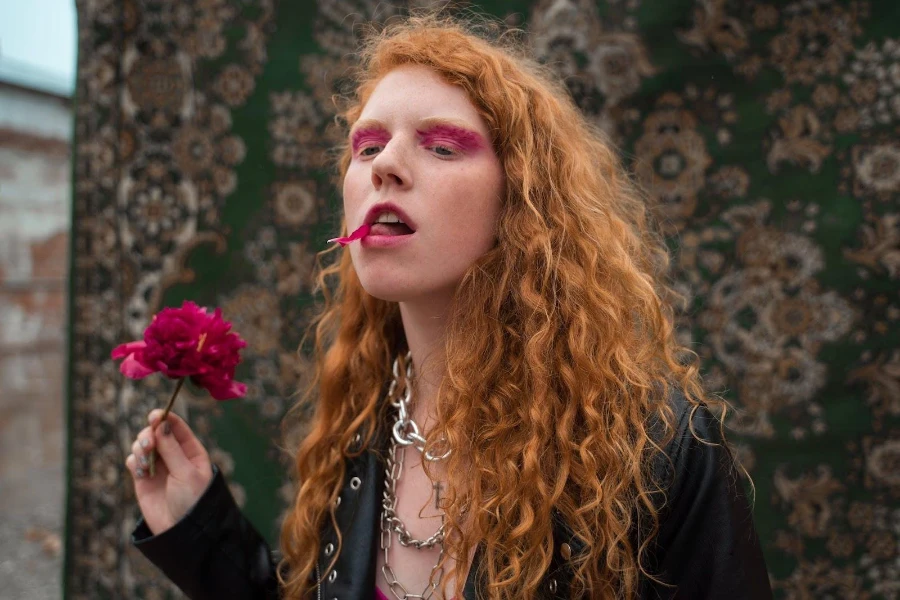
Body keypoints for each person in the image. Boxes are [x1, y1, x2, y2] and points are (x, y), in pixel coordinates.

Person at [124, 12, 773, 600]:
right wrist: (200, 533)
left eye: (440, 146)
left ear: (520, 199)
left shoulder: (655, 447)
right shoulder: (362, 420)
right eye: (368, 146)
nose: (386, 167)